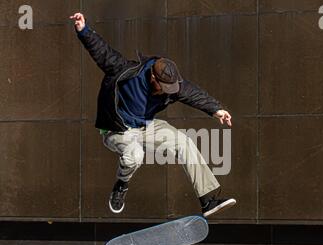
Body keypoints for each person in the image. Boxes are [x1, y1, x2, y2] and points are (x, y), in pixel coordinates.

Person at [70, 13, 236, 218]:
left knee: (184, 142)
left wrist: (216, 109)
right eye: (163, 88)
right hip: (118, 129)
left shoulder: (173, 86)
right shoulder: (125, 70)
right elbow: (102, 53)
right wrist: (83, 30)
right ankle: (121, 185)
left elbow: (194, 94)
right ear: (152, 78)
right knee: (135, 155)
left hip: (146, 127)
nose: (167, 92)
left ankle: (207, 201)